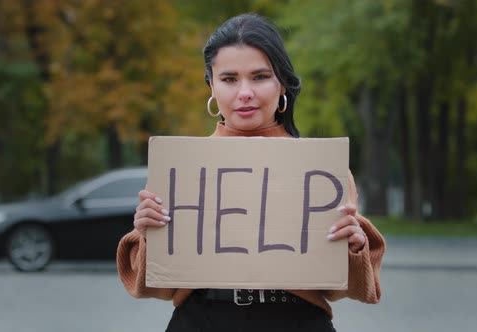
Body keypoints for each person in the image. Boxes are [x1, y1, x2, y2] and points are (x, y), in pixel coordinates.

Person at [117, 13, 385, 332]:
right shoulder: (180, 165)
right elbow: (157, 287)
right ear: (211, 85)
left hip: (297, 322)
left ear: (282, 82)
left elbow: (342, 288)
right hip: (201, 321)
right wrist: (149, 235)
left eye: (259, 76)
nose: (244, 92)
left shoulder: (322, 169)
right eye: (229, 79)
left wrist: (353, 247)